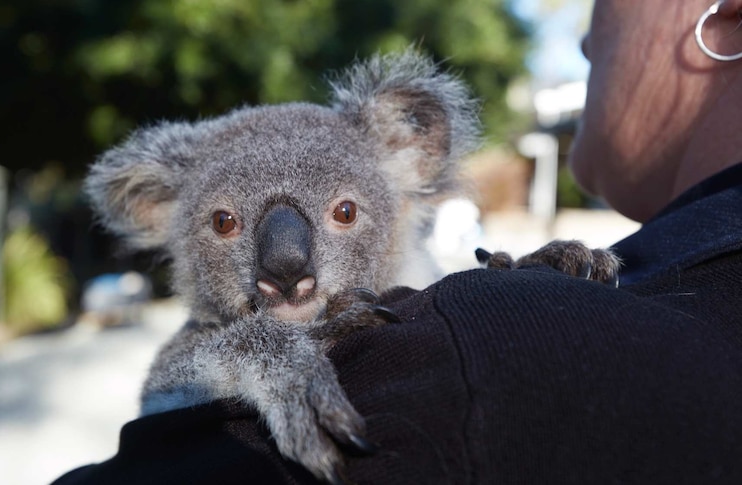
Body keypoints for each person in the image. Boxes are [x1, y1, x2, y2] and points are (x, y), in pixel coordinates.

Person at [53, 1, 742, 483]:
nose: (285, 262)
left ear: (411, 161)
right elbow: (165, 388)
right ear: (162, 215)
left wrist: (527, 299)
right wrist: (254, 347)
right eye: (226, 223)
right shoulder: (209, 334)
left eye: (345, 210)